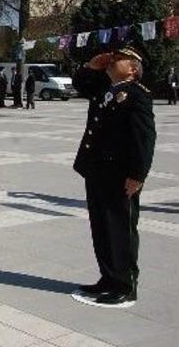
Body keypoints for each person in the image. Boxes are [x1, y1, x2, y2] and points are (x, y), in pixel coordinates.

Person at [71, 47, 156, 308]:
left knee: (120, 229)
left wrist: (137, 175)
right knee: (102, 227)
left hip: (120, 174)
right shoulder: (105, 89)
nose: (112, 61)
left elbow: (144, 138)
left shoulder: (137, 95)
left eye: (118, 60)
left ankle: (125, 285)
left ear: (133, 69)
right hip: (97, 171)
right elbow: (81, 85)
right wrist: (91, 65)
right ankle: (109, 277)